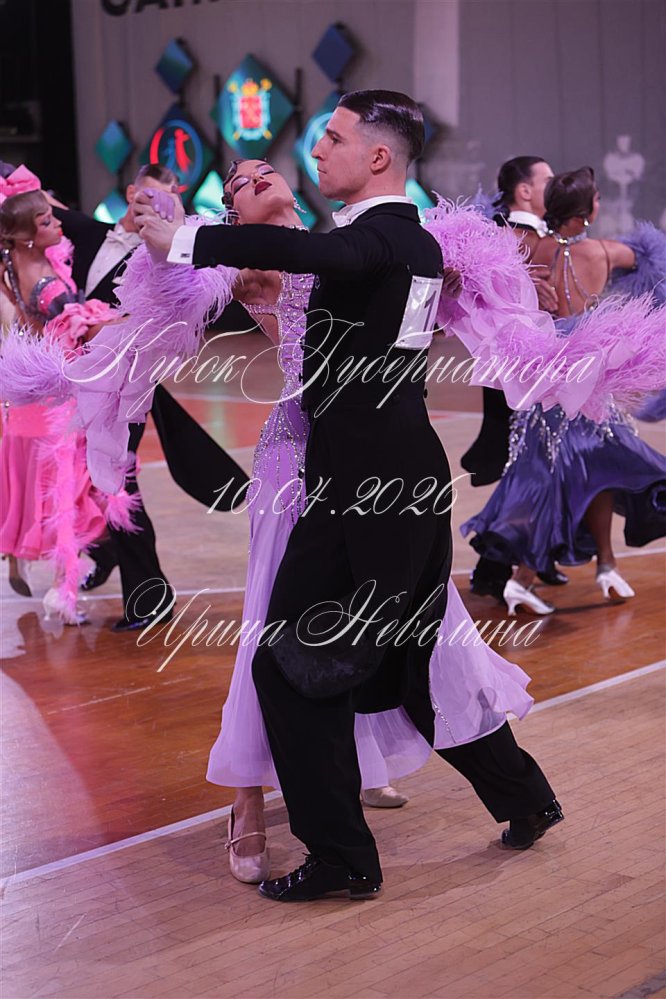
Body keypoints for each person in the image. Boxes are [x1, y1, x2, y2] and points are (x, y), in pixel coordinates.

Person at [136, 91, 563, 903]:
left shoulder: (378, 239)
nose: (314, 151)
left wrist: (184, 236)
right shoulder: (391, 244)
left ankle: (342, 855)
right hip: (375, 477)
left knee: (294, 662)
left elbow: (324, 257)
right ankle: (522, 796)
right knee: (409, 654)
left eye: (331, 138)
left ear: (378, 156)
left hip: (363, 486)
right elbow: (301, 265)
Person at [50, 164, 247, 631]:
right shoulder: (89, 232)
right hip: (79, 385)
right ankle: (107, 553)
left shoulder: (160, 258)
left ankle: (149, 596)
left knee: (118, 485)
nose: (158, 208)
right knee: (87, 479)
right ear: (130, 193)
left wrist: (109, 327)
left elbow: (169, 317)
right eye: (151, 197)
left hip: (128, 388)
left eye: (168, 199)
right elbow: (37, 200)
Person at [462, 167, 666, 615]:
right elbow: (651, 260)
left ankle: (604, 565)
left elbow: (488, 281)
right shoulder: (602, 251)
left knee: (581, 470)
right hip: (586, 382)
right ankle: (527, 578)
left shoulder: (531, 248)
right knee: (579, 472)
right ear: (587, 212)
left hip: (544, 381)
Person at [0, 186, 125, 624]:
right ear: (27, 236)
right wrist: (132, 320)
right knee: (68, 496)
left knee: (48, 491)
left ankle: (36, 567)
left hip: (30, 398)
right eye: (47, 222)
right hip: (59, 400)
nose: (58, 225)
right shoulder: (48, 285)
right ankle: (63, 590)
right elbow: (82, 327)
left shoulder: (12, 265)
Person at [464, 156, 569, 600]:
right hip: (513, 370)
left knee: (543, 462)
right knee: (525, 465)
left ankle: (534, 557)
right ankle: (493, 567)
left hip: (540, 364)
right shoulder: (503, 236)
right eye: (548, 181)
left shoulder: (544, 237)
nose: (556, 188)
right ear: (524, 191)